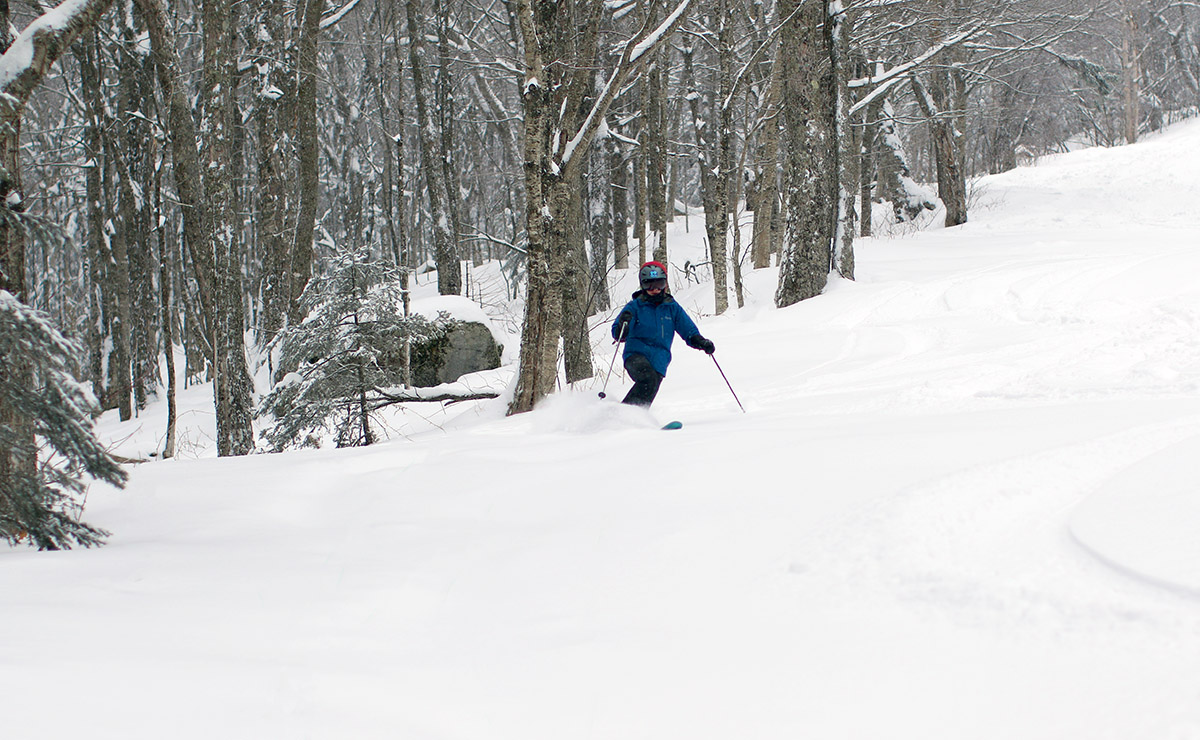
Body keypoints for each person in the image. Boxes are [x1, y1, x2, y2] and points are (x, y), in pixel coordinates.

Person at [611, 261, 715, 407]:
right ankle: (622, 416)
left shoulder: (672, 308)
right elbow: (618, 333)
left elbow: (688, 331)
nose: (655, 289)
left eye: (659, 284)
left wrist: (701, 342)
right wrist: (624, 324)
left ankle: (635, 417)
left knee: (650, 387)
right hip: (635, 356)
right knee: (648, 379)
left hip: (660, 360)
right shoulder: (635, 306)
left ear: (665, 284)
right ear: (642, 285)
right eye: (649, 284)